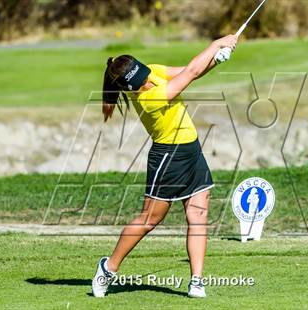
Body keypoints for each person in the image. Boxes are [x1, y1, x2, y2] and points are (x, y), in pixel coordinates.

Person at [92, 34, 238, 298]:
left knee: (199, 217)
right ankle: (108, 268)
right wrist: (216, 44)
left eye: (146, 75)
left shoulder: (152, 73)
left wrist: (217, 59)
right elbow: (192, 72)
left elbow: (189, 70)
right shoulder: (149, 99)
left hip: (191, 150)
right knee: (150, 219)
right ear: (130, 88)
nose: (148, 81)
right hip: (168, 156)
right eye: (142, 82)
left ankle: (196, 281)